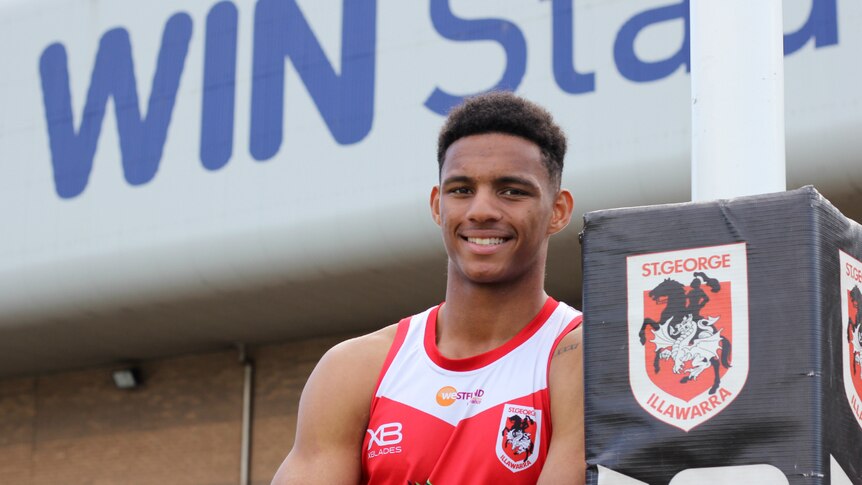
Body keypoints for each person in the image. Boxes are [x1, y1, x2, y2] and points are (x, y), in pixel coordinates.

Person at [272, 91, 584, 484]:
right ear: (437, 205)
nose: (482, 210)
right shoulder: (353, 369)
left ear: (558, 211)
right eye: (461, 190)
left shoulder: (581, 355)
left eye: (512, 191)